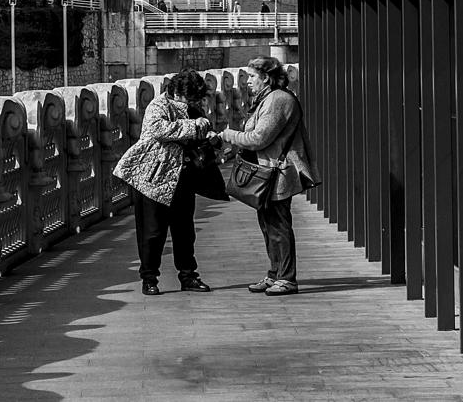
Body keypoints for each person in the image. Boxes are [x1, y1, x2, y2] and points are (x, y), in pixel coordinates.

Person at [113, 68, 220, 295]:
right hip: (152, 180)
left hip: (182, 178)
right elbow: (158, 129)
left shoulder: (192, 109)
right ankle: (149, 279)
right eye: (191, 97)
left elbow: (203, 128)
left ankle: (188, 276)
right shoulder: (158, 105)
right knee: (152, 233)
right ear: (180, 93)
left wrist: (207, 134)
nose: (193, 102)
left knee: (184, 231)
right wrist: (196, 126)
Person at [219, 55, 320, 296]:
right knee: (268, 224)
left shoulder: (278, 100)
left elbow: (258, 138)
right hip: (268, 171)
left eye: (252, 76)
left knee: (278, 225)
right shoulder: (267, 98)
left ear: (266, 78)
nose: (248, 82)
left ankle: (286, 277)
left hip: (278, 172)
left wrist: (228, 135)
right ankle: (275, 273)